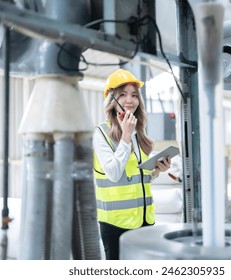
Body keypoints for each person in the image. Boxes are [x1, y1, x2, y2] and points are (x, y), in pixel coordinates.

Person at [92, 69, 171, 260]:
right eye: (123, 95)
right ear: (112, 100)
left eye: (134, 95)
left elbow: (136, 175)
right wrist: (126, 136)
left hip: (144, 221)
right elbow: (113, 173)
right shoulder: (101, 134)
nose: (130, 100)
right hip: (116, 224)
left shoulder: (137, 132)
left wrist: (156, 171)